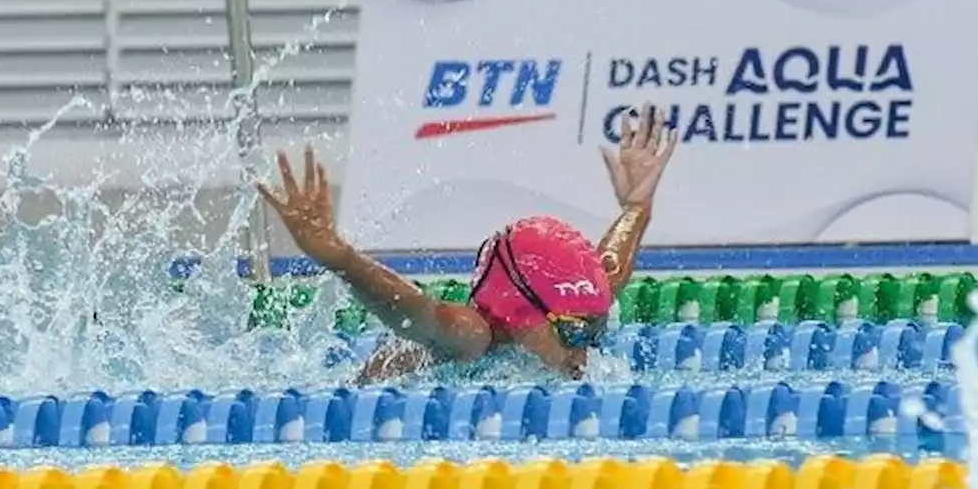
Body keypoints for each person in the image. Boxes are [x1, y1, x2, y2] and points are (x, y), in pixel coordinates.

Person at [257, 104, 678, 383]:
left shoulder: (572, 310)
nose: (584, 352)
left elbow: (611, 268)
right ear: (521, 313)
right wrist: (342, 259)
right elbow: (416, 311)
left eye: (594, 329)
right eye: (572, 332)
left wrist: (638, 205)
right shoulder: (472, 335)